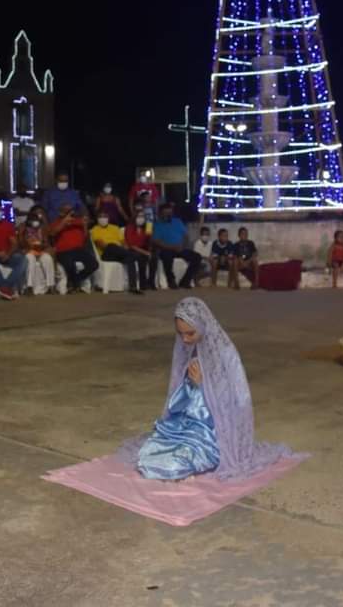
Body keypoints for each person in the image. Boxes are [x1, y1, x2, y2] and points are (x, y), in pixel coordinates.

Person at [121, 297, 296, 481]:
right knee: (150, 451)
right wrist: (189, 386)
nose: (185, 339)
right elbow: (177, 402)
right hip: (186, 424)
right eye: (180, 334)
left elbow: (237, 402)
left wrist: (204, 386)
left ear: (203, 327)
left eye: (190, 333)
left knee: (175, 463)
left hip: (213, 432)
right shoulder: (188, 349)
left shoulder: (225, 354)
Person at [151, 203, 202, 289]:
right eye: (166, 213)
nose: (168, 215)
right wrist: (171, 247)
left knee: (197, 257)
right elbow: (156, 241)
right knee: (166, 257)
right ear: (161, 214)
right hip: (166, 248)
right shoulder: (157, 225)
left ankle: (185, 281)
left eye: (170, 213)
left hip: (180, 248)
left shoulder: (177, 221)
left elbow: (186, 236)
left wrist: (182, 246)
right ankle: (171, 281)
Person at [91, 210, 142, 294]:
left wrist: (124, 248)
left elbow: (123, 242)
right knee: (112, 245)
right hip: (106, 253)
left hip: (119, 253)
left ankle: (133, 287)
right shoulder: (95, 229)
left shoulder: (115, 228)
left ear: (108, 218)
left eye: (105, 217)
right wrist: (120, 249)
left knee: (130, 259)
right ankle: (133, 254)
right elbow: (101, 245)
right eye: (101, 217)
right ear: (97, 219)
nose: (103, 219)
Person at [50, 204, 97, 293]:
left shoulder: (77, 221)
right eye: (65, 210)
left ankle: (75, 281)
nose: (68, 212)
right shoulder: (56, 222)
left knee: (94, 264)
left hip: (78, 250)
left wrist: (85, 225)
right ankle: (74, 284)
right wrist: (64, 222)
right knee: (70, 265)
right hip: (63, 251)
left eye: (70, 210)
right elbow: (52, 233)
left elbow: (85, 236)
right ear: (60, 212)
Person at [20, 206, 55, 295]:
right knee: (30, 258)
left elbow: (46, 242)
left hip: (40, 250)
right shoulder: (24, 227)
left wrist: (42, 246)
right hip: (29, 250)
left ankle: (51, 286)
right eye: (33, 218)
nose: (35, 221)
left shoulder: (42, 228)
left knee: (47, 258)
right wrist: (21, 234)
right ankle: (29, 287)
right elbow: (21, 244)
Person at [125, 209, 155, 291]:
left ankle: (148, 283)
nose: (141, 218)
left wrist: (150, 232)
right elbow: (131, 245)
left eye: (143, 216)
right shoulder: (129, 227)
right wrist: (146, 253)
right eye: (139, 216)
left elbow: (149, 242)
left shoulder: (146, 227)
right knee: (136, 257)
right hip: (131, 250)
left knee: (154, 256)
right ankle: (133, 285)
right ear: (134, 217)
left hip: (143, 249)